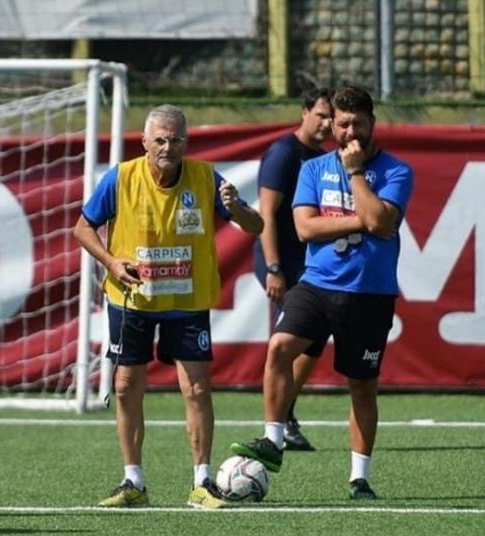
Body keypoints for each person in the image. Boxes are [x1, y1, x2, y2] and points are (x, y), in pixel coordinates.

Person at [73, 104, 263, 510]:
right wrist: (110, 262)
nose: (167, 146)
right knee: (125, 388)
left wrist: (236, 208)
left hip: (187, 300)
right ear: (144, 142)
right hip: (132, 299)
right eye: (160, 139)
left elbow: (255, 227)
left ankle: (202, 482)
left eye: (175, 139)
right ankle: (133, 481)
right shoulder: (121, 177)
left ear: (185, 142)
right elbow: (82, 227)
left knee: (196, 388)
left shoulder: (206, 177)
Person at [230, 86, 414, 500]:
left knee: (361, 386)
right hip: (316, 283)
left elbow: (384, 224)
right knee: (279, 347)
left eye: (358, 124)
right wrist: (361, 220)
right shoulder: (312, 169)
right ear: (332, 124)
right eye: (342, 123)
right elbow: (305, 229)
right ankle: (273, 440)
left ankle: (359, 477)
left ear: (372, 124)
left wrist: (355, 176)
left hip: (369, 292)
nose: (350, 132)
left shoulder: (397, 171)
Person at [252, 87, 334, 452]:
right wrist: (273, 268)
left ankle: (285, 414)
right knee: (288, 341)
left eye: (332, 117)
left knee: (314, 340)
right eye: (321, 115)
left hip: (308, 264)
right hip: (281, 262)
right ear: (304, 112)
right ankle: (278, 421)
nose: (327, 123)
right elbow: (266, 213)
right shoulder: (283, 154)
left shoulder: (319, 157)